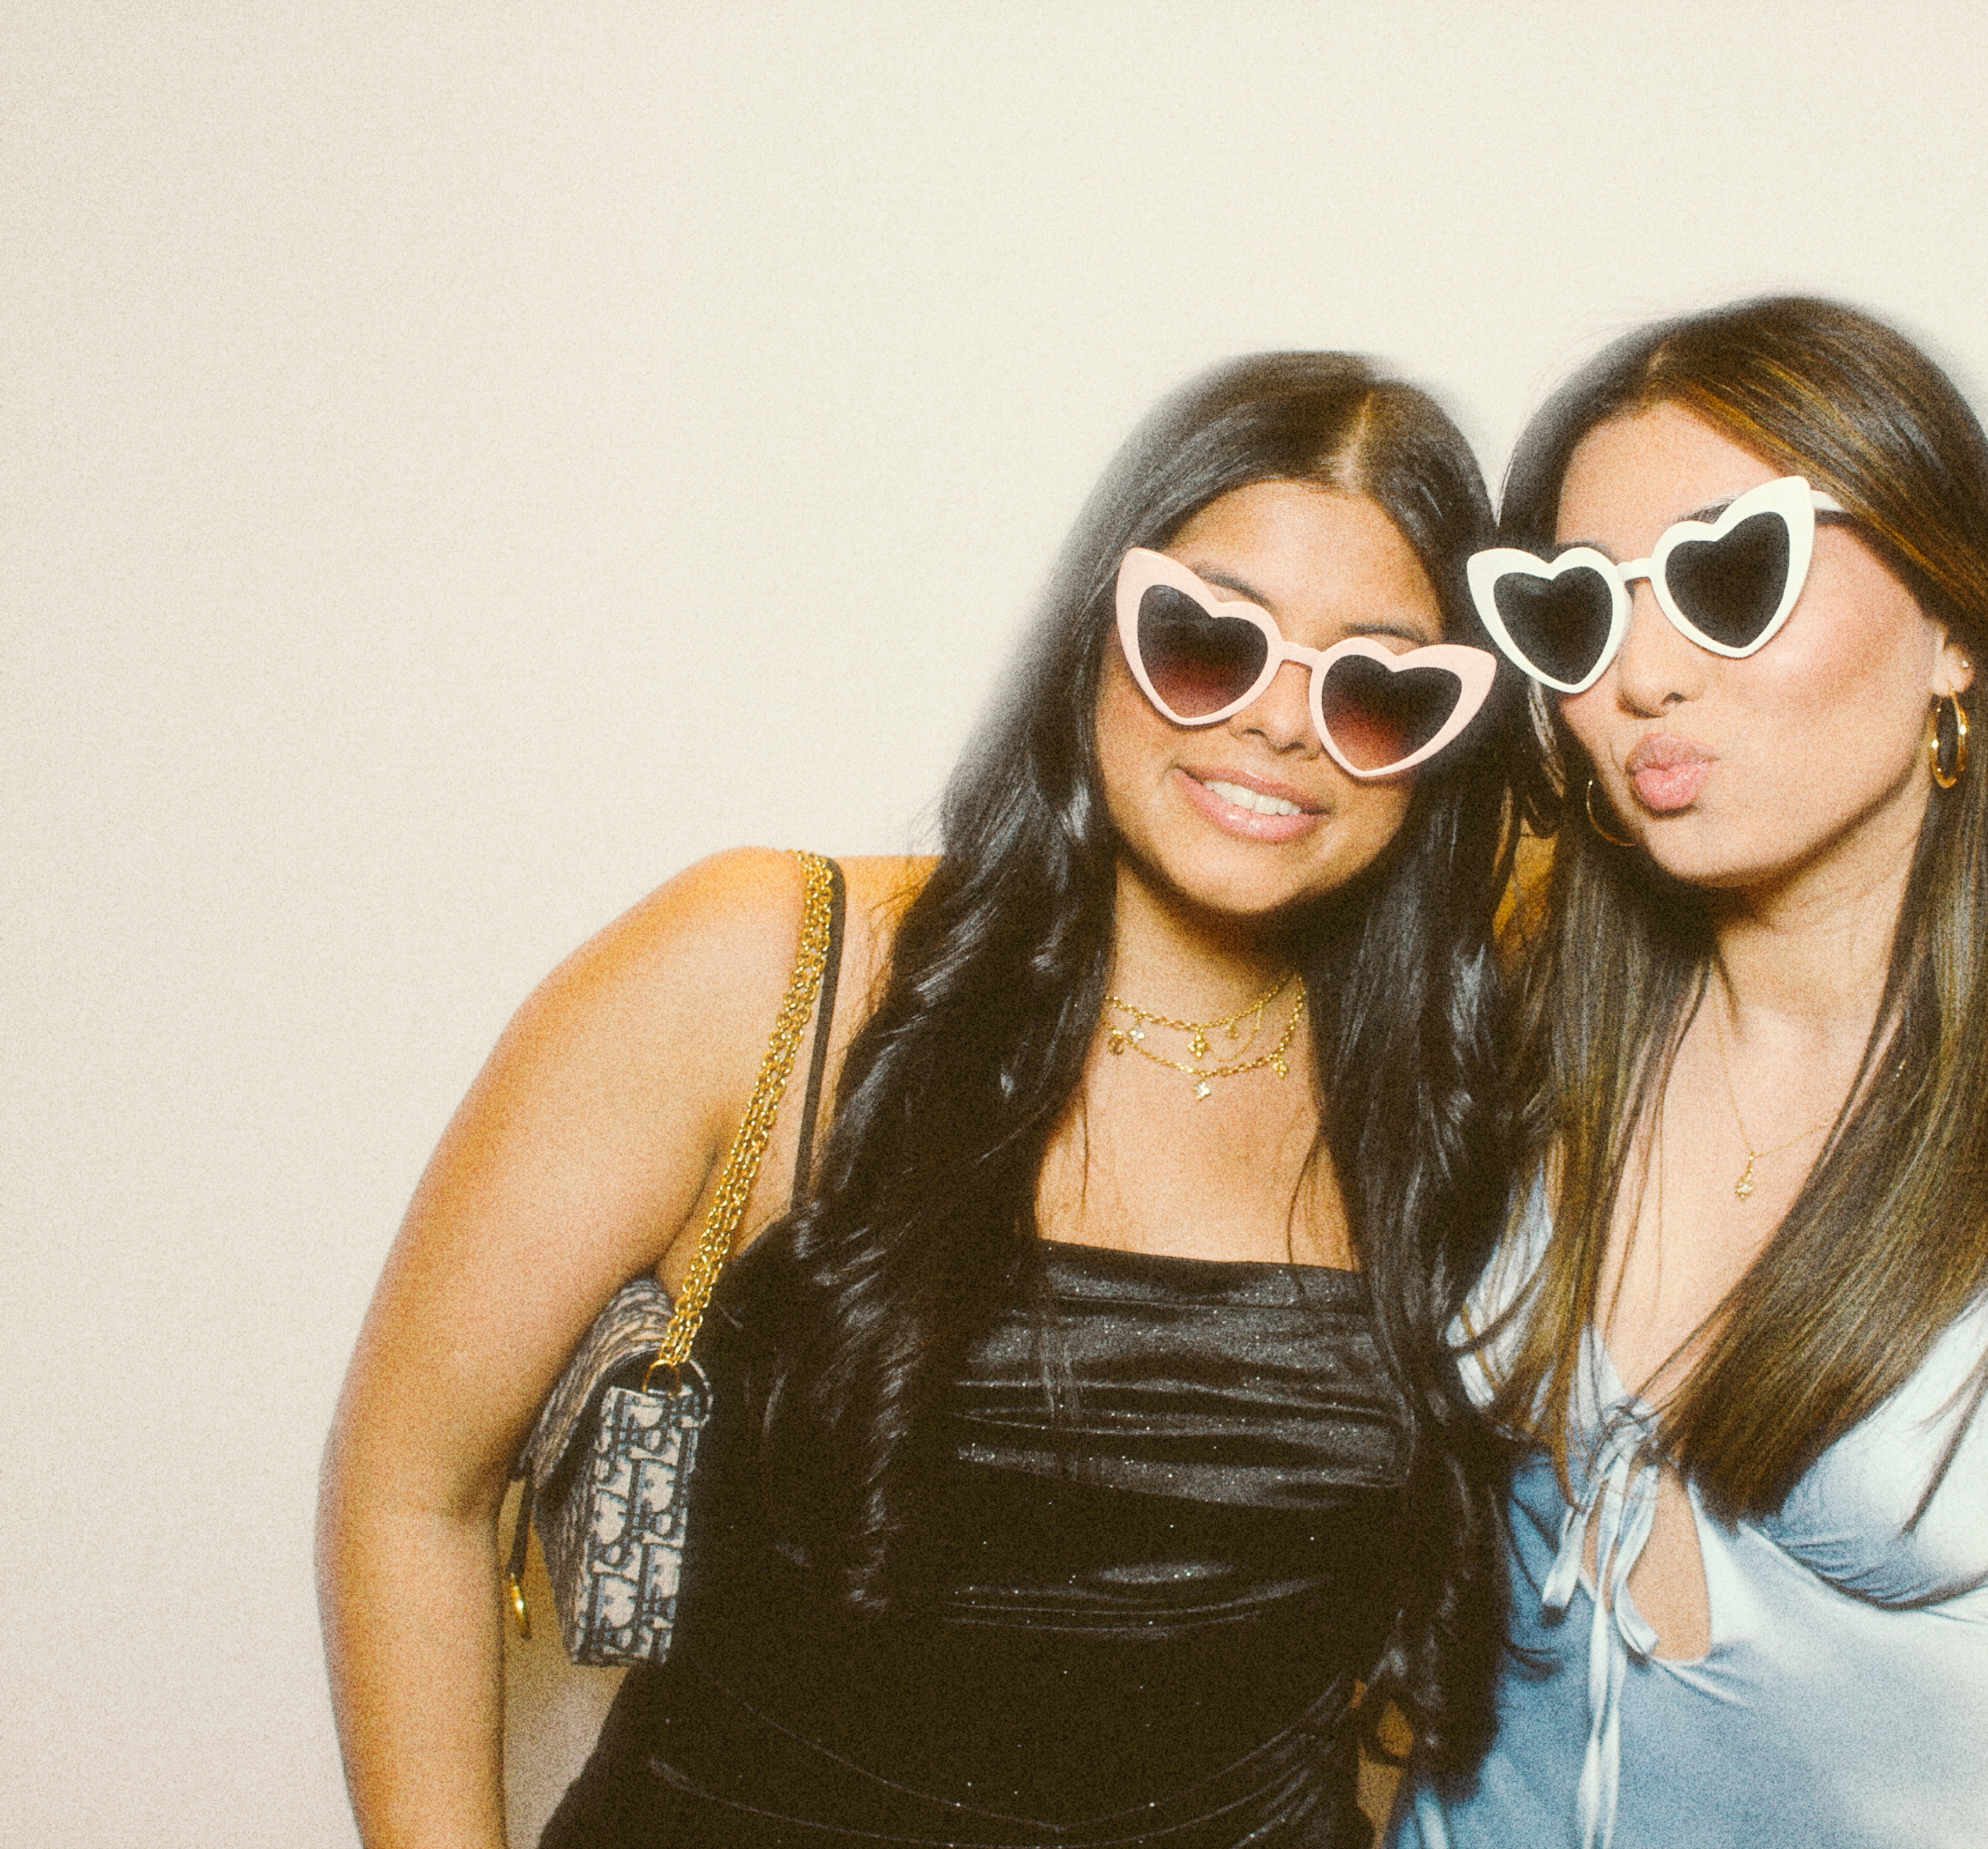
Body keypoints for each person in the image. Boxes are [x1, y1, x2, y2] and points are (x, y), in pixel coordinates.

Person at [319, 352, 1524, 1848]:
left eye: (1381, 687)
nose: (1284, 725)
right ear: (1096, 629)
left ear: (1445, 746)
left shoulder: (1457, 1093)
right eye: (1210, 639)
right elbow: (410, 1486)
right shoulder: (764, 969)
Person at [1400, 298, 1988, 1849]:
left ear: (1957, 626)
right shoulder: (1531, 1016)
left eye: (1726, 576)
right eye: (1575, 612)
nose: (1642, 675)